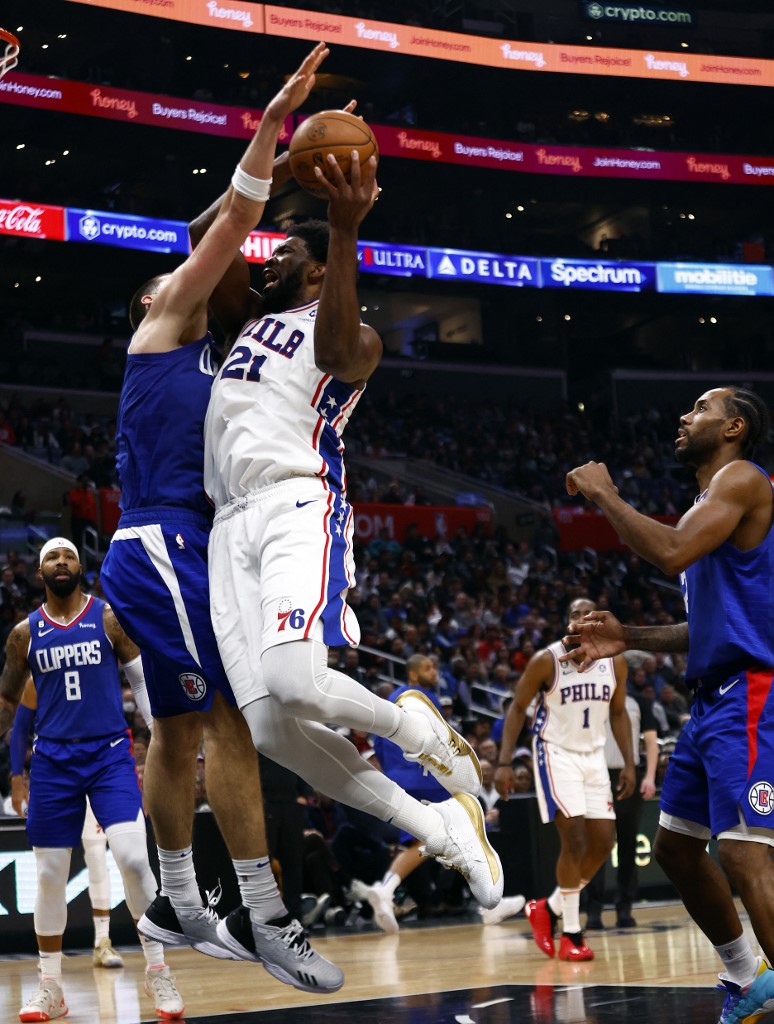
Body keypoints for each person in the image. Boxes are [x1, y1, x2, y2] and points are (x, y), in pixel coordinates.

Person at [188, 127, 503, 920]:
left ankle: (416, 729)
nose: (267, 258)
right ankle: (439, 825)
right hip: (228, 524)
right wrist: (274, 153)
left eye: (285, 254)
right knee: (269, 729)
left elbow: (335, 344)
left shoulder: (353, 333)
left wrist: (342, 223)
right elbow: (203, 235)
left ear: (322, 271)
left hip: (299, 503)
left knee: (295, 678)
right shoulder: (239, 323)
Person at [98, 44, 343, 994]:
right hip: (161, 539)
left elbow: (228, 237)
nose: (192, 275)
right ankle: (265, 910)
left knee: (175, 724)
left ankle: (177, 900)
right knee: (231, 716)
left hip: (186, 544)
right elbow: (227, 222)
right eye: (178, 274)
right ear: (154, 300)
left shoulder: (221, 358)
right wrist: (277, 125)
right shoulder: (161, 327)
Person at [564, 386, 774, 1024]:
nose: (684, 417)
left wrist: (605, 495)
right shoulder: (707, 505)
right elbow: (700, 627)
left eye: (701, 409)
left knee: (742, 851)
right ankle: (747, 974)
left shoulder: (743, 478)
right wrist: (629, 638)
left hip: (753, 691)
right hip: (710, 698)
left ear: (734, 426)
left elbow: (672, 551)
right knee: (678, 847)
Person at [0, 538, 184, 1022]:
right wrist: (14, 771)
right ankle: (50, 985)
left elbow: (143, 683)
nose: (61, 563)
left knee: (133, 861)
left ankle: (158, 970)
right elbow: (8, 705)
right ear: (40, 573)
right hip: (54, 764)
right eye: (51, 559)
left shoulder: (108, 618)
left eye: (69, 557)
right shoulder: (24, 634)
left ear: (81, 567)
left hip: (109, 757)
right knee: (47, 876)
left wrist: (162, 737)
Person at [494, 598, 635, 962]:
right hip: (555, 753)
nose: (581, 619)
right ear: (566, 621)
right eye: (574, 614)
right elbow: (517, 708)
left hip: (594, 757)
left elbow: (618, 713)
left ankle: (549, 908)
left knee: (603, 843)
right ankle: (572, 932)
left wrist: (630, 764)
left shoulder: (614, 661)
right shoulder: (547, 659)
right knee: (573, 839)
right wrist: (504, 761)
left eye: (588, 614)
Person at [9, 676, 126, 968]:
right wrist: (16, 779)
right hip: (56, 775)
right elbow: (20, 728)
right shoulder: (40, 675)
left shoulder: (96, 670)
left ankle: (102, 941)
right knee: (50, 870)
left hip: (96, 772)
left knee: (98, 855)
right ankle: (49, 952)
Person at [584, 692, 658, 930]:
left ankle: (624, 908)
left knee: (628, 845)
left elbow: (651, 741)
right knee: (596, 845)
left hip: (629, 775)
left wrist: (649, 776)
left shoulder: (639, 701)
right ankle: (593, 911)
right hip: (596, 776)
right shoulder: (591, 694)